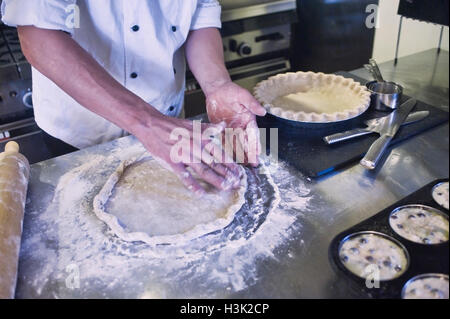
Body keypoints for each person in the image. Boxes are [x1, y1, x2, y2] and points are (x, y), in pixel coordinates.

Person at [1, 0, 267, 195]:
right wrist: (146, 121)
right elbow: (39, 35)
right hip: (81, 130)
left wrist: (217, 84)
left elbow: (200, 15)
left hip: (169, 121)